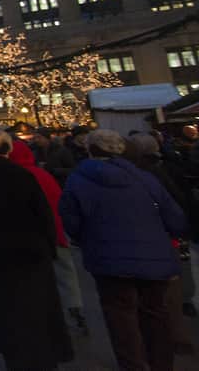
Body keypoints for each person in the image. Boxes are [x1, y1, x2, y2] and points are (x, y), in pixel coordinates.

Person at [60, 129, 187, 371]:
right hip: (153, 256)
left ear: (91, 150)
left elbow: (72, 221)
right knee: (155, 313)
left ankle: (133, 364)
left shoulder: (79, 180)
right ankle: (161, 363)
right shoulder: (145, 178)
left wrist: (87, 237)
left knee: (120, 318)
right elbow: (174, 216)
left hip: (108, 258)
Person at [0, 128, 73, 371]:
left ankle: (12, 352)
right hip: (29, 250)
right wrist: (49, 245)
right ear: (6, 148)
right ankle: (42, 353)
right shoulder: (21, 175)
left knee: (3, 306)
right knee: (35, 306)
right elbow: (42, 213)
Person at [9, 139, 89, 337]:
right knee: (65, 273)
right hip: (56, 231)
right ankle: (75, 310)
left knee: (37, 275)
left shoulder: (15, 177)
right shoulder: (42, 174)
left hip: (31, 235)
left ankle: (44, 315)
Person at [124, 132, 196, 351]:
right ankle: (174, 336)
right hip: (164, 239)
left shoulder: (146, 174)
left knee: (157, 295)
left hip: (148, 240)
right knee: (167, 292)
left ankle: (159, 339)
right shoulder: (161, 169)